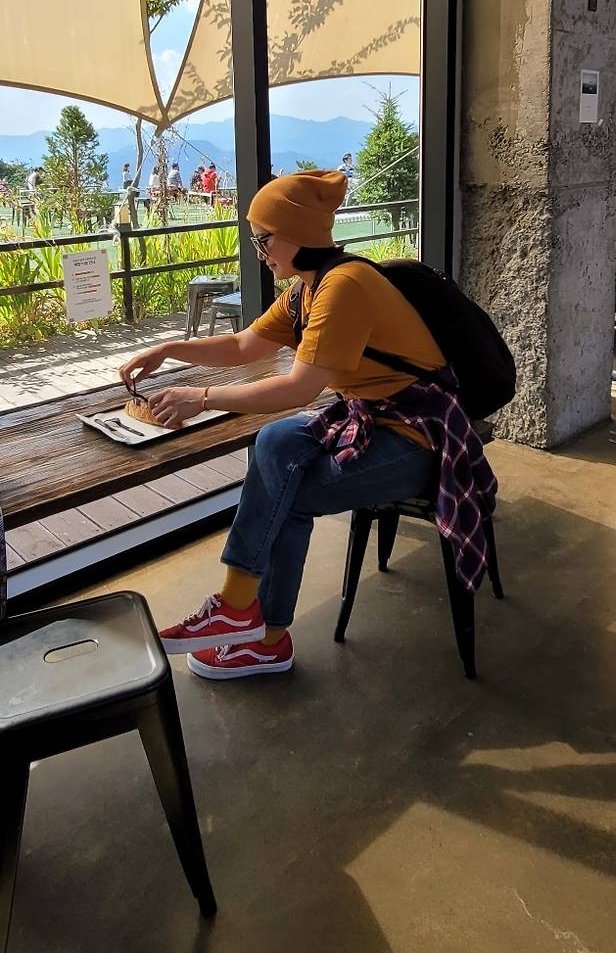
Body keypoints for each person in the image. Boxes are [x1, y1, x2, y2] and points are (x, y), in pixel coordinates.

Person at [119, 170, 497, 683]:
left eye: (263, 239)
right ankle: (248, 621)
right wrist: (167, 350)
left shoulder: (344, 286)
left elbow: (299, 388)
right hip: (374, 418)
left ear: (296, 233)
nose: (258, 251)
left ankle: (260, 632)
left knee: (286, 494)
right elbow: (243, 346)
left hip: (420, 438)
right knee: (275, 441)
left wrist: (201, 398)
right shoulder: (307, 289)